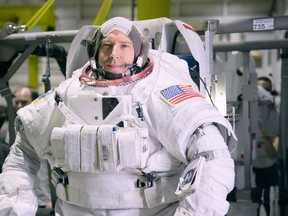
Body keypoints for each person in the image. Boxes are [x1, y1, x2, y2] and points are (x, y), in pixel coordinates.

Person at [0, 17, 236, 216]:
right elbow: (23, 152)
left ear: (138, 52)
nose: (114, 54)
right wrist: (15, 204)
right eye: (107, 45)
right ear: (95, 49)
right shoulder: (68, 93)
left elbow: (212, 157)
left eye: (124, 45)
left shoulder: (160, 90)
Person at [11, 86, 53, 213]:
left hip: (46, 201)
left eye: (24, 102)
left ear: (34, 102)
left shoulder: (46, 130)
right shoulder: (13, 131)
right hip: (23, 202)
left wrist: (53, 198)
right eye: (17, 102)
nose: (19, 106)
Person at [251, 76, 280, 216]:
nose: (261, 92)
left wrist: (266, 137)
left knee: (271, 204)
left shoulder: (274, 115)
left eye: (266, 89)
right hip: (251, 169)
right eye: (258, 88)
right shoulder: (246, 113)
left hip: (269, 168)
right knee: (254, 203)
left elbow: (273, 153)